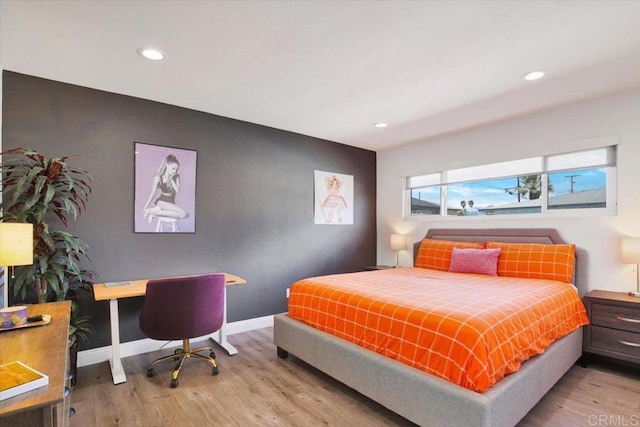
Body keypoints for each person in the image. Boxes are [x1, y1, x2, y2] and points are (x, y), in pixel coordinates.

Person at [143, 154, 189, 224]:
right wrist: (146, 206)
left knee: (185, 215)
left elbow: (177, 190)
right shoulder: (158, 177)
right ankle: (150, 211)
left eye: (176, 169)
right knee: (183, 214)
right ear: (167, 165)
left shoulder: (176, 176)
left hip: (171, 201)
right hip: (162, 201)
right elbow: (153, 193)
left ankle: (156, 213)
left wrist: (171, 179)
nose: (175, 171)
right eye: (173, 168)